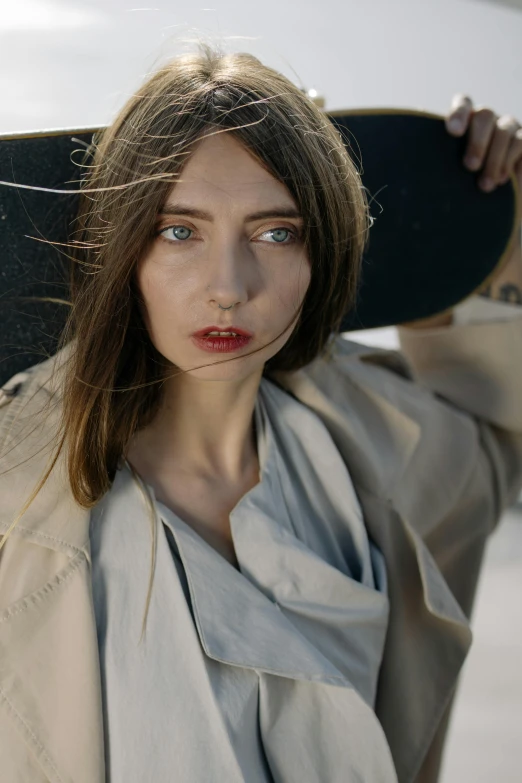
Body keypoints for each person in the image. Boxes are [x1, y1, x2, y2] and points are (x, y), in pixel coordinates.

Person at [0, 44, 521, 783]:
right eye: (179, 230)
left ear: (321, 255)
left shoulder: (360, 454)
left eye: (277, 232)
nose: (228, 286)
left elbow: (493, 442)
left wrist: (491, 231)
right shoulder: (18, 491)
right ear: (125, 251)